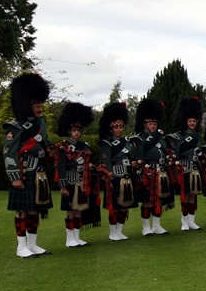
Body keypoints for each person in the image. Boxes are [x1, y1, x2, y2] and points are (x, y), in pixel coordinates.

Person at [4, 73, 53, 258]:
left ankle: (32, 244)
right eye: (37, 106)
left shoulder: (41, 124)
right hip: (24, 173)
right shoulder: (15, 126)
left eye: (41, 105)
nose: (40, 109)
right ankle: (21, 246)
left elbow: (45, 143)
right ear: (27, 104)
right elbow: (9, 153)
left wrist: (52, 151)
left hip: (39, 173)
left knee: (34, 209)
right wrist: (15, 177)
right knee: (22, 210)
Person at [54, 102, 98, 247]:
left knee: (79, 210)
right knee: (70, 211)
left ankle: (77, 237)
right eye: (74, 130)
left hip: (82, 181)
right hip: (70, 181)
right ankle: (69, 239)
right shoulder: (63, 146)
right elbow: (60, 167)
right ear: (69, 131)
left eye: (79, 130)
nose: (77, 133)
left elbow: (88, 162)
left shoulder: (84, 146)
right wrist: (62, 186)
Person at [130, 98, 173, 236]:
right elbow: (137, 156)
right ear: (145, 124)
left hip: (161, 171)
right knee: (147, 201)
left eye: (154, 123)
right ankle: (145, 227)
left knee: (159, 199)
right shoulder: (139, 138)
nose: (153, 126)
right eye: (150, 123)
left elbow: (167, 150)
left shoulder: (161, 136)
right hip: (147, 171)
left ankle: (157, 226)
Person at [99, 102, 137, 241]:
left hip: (127, 175)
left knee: (124, 205)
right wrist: (108, 177)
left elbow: (131, 157)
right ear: (111, 128)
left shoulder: (128, 142)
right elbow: (105, 162)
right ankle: (112, 232)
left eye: (121, 127)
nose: (119, 130)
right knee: (114, 206)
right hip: (114, 176)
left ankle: (120, 231)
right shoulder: (106, 143)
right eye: (116, 127)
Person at [167, 96, 203, 231]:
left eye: (194, 121)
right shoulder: (178, 136)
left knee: (193, 195)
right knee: (185, 194)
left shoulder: (198, 136)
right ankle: (184, 221)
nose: (192, 123)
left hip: (194, 168)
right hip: (183, 168)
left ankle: (192, 221)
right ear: (185, 121)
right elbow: (175, 152)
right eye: (190, 121)